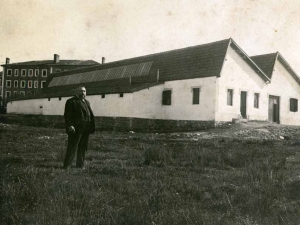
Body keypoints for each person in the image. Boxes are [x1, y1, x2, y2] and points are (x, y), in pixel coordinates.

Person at [63, 86, 95, 169]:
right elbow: (67, 115)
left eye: (84, 91)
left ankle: (80, 165)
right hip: (75, 129)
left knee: (83, 147)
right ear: (76, 92)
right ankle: (66, 166)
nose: (83, 93)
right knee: (72, 147)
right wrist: (70, 125)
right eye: (81, 91)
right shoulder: (71, 101)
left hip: (86, 129)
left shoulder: (87, 102)